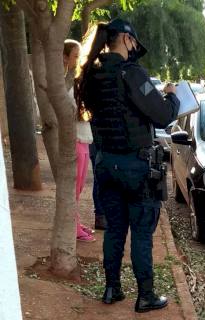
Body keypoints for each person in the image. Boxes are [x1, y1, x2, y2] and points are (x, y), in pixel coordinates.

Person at [74, 19, 180, 312]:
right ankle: (145, 295)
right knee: (142, 234)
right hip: (136, 167)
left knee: (115, 231)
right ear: (124, 38)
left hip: (106, 165)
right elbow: (162, 116)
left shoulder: (91, 75)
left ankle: (111, 289)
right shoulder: (131, 74)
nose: (135, 48)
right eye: (134, 42)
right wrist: (171, 95)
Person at [63, 39, 95, 242]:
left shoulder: (73, 78)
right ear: (65, 56)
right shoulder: (66, 80)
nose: (78, 59)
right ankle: (72, 227)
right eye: (75, 55)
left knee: (80, 186)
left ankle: (74, 222)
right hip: (75, 138)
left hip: (82, 139)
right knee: (74, 187)